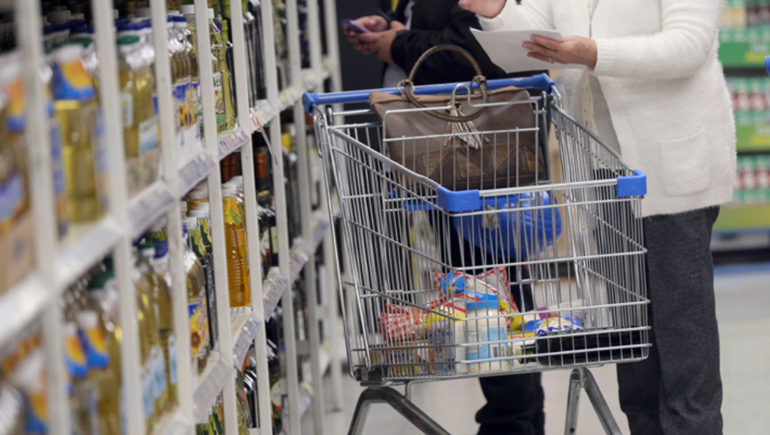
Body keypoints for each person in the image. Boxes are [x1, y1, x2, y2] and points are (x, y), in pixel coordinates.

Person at [459, 1, 736, 434]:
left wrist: (594, 54)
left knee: (681, 323)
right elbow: (532, 30)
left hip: (669, 164)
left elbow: (688, 46)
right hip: (602, 166)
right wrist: (496, 11)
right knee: (632, 331)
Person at [345, 2, 547, 434]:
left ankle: (511, 421)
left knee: (485, 294)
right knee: (490, 293)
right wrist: (396, 27)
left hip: (471, 149)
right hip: (448, 149)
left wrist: (399, 43)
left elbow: (476, 43)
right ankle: (519, 420)